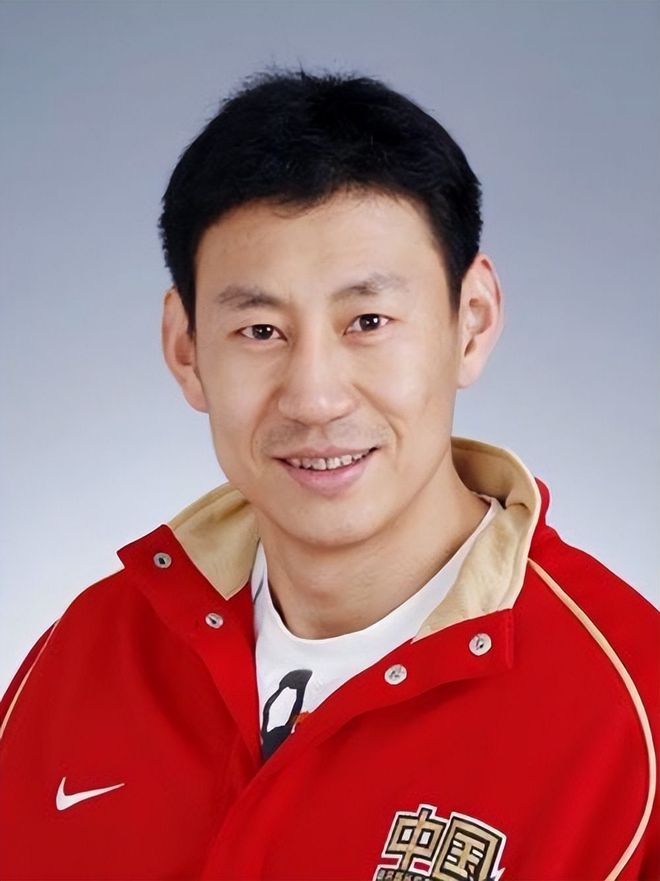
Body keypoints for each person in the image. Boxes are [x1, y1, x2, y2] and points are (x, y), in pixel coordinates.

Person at [0, 67, 657, 881]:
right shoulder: (81, 657)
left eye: (368, 321)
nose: (314, 398)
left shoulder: (634, 715)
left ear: (472, 322)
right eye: (260, 330)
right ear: (186, 348)